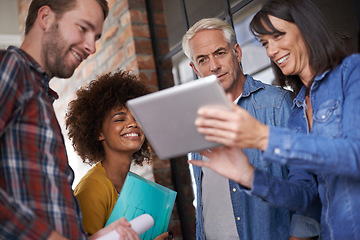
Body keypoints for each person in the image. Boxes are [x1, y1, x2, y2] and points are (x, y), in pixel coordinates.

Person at [190, 0, 360, 239]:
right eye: (265, 43)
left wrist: (264, 137)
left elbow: (355, 154)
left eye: (278, 36)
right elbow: (304, 195)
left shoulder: (352, 71)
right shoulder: (299, 112)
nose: (270, 51)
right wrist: (249, 175)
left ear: (307, 29)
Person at [0, 0, 139, 239]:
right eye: (83, 28)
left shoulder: (42, 95)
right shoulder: (10, 67)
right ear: (45, 18)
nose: (91, 47)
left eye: (95, 36)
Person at [182, 18, 319, 240]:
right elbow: (204, 198)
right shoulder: (200, 120)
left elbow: (308, 185)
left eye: (220, 53)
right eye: (202, 59)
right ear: (194, 68)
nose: (214, 66)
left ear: (237, 52)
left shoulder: (277, 104)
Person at [66, 70, 171, 239]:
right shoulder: (92, 188)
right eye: (120, 119)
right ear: (99, 132)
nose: (132, 124)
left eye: (136, 117)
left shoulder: (132, 185)